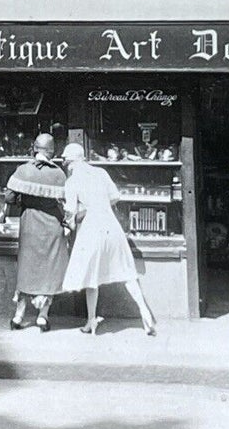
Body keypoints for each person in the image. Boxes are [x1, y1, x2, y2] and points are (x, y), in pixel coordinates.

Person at [60, 142, 157, 337]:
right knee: (127, 272)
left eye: (66, 162)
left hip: (91, 229)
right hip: (111, 226)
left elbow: (70, 213)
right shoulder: (101, 173)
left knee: (91, 277)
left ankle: (91, 322)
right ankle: (145, 313)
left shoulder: (72, 182)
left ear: (70, 162)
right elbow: (115, 197)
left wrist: (72, 221)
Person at [2, 133, 69, 332]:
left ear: (35, 149)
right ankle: (42, 316)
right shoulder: (59, 174)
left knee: (26, 268)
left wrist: (25, 201)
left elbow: (9, 197)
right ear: (52, 151)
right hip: (52, 225)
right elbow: (65, 202)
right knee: (49, 270)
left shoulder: (23, 170)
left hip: (30, 223)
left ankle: (18, 316)